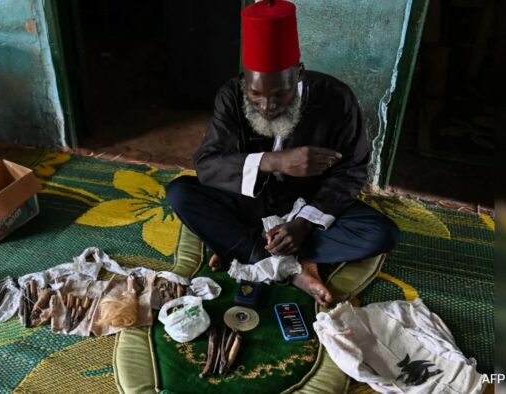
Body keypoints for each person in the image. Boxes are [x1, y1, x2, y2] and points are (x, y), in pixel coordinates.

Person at [166, 0, 399, 307]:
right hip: (247, 203)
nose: (267, 106)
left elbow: (352, 170)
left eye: (280, 94)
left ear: (298, 74)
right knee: (180, 193)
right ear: (244, 80)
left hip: (308, 205)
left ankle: (245, 248)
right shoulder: (231, 96)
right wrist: (273, 161)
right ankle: (291, 268)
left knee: (381, 234)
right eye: (256, 93)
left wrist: (304, 223)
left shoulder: (336, 97)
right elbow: (208, 165)